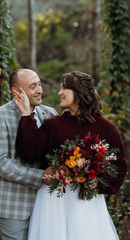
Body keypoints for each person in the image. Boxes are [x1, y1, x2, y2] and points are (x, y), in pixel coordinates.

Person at [13, 71, 127, 240]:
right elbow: (30, 153)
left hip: (86, 203)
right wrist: (25, 115)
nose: (59, 93)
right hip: (52, 202)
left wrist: (95, 179)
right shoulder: (52, 124)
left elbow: (118, 167)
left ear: (79, 92)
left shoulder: (106, 128)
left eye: (64, 88)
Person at [0, 69, 57, 240]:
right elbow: (0, 163)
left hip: (47, 204)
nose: (40, 90)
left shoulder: (50, 113)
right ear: (16, 91)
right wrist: (41, 176)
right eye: (33, 86)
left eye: (39, 84)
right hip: (13, 207)